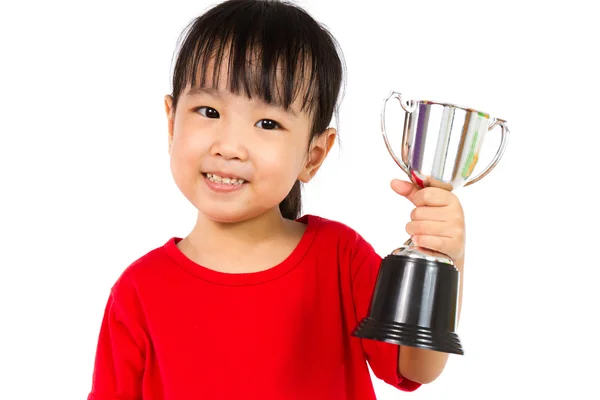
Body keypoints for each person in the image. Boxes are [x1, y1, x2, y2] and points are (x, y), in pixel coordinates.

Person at [87, 0, 467, 399]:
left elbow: (415, 366)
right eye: (208, 110)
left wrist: (443, 257)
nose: (230, 146)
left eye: (267, 123)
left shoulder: (340, 259)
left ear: (313, 155)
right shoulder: (139, 291)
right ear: (171, 121)